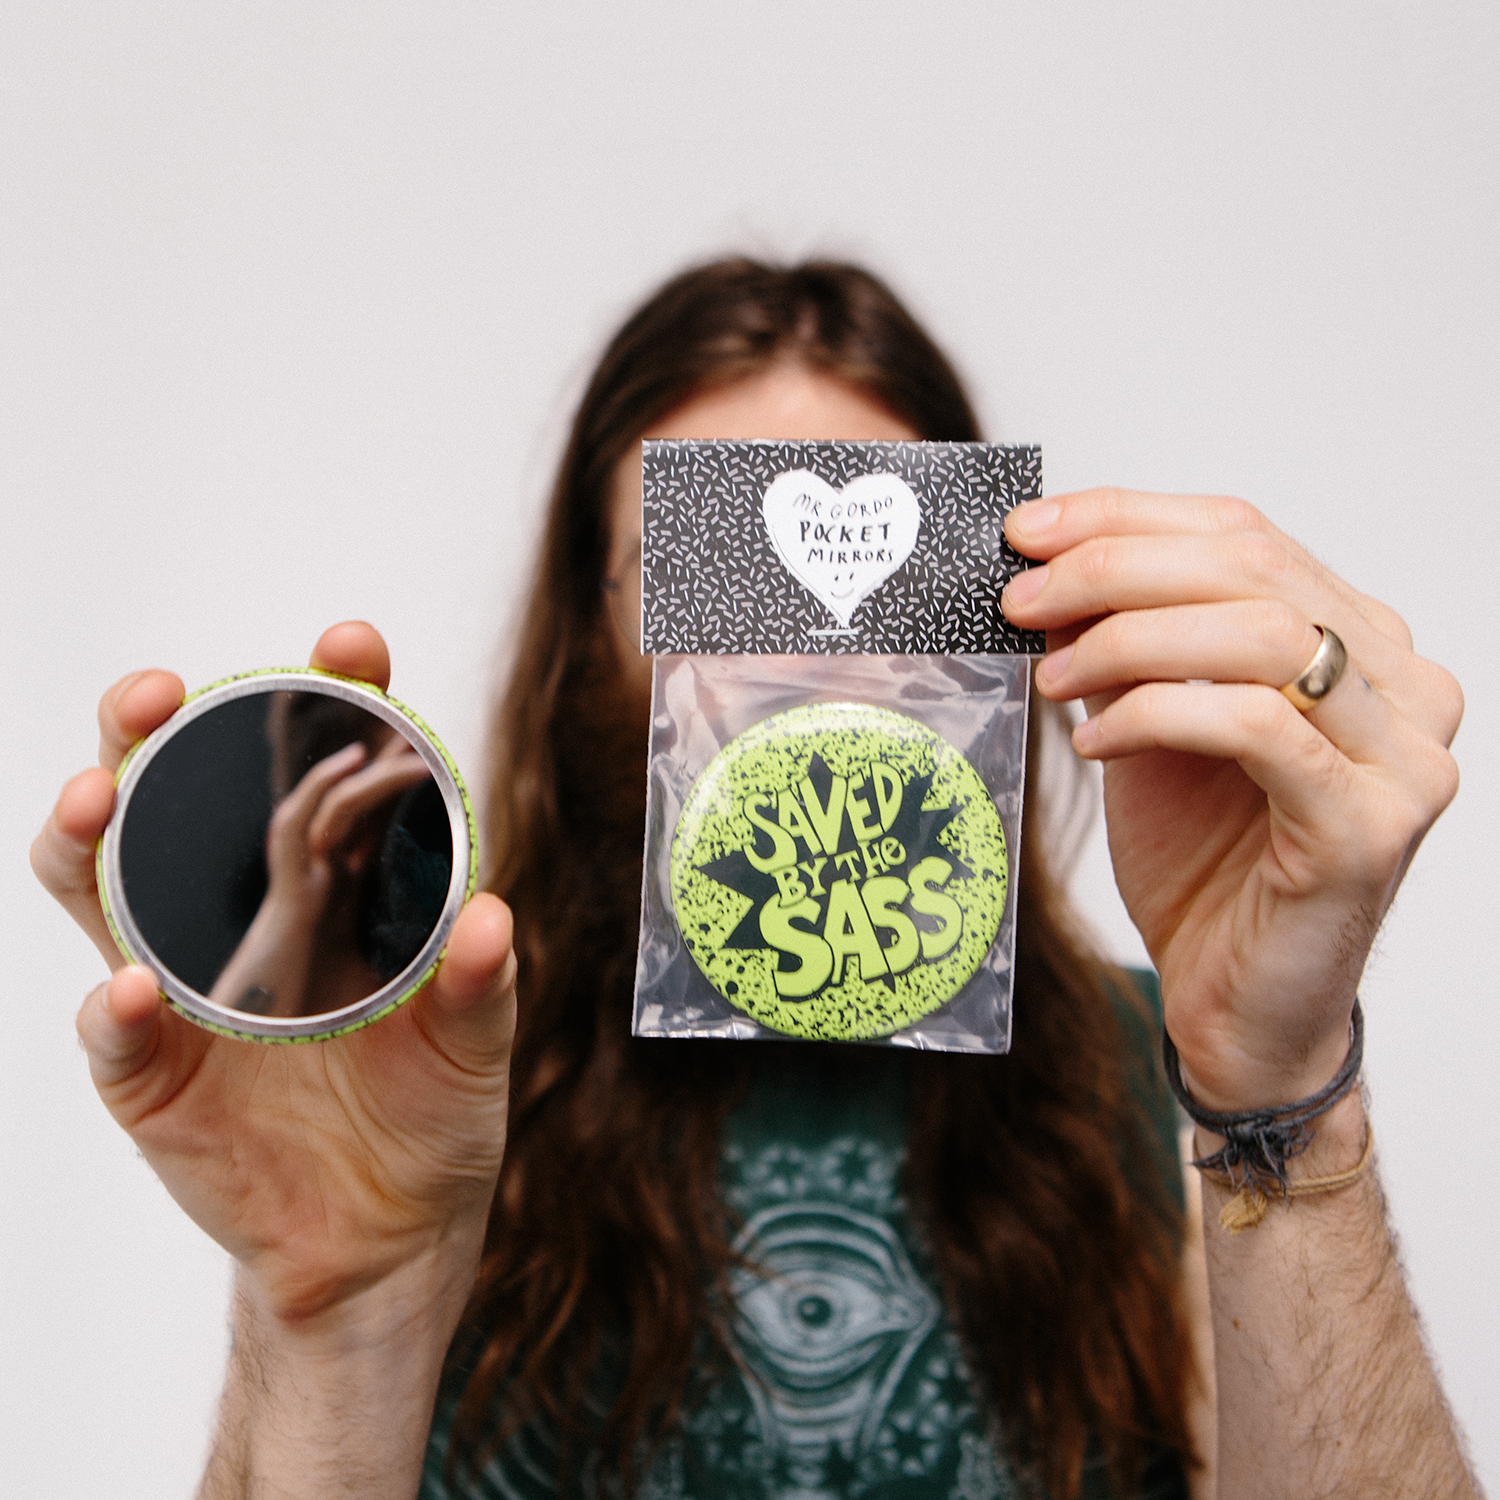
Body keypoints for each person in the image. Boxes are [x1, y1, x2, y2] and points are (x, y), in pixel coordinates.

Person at [31, 260, 1478, 1500]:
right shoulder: (423, 1081)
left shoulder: (1169, 1082)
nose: (804, 665)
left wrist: (1279, 1082)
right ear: (586, 642)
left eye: (888, 578)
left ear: (995, 633)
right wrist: (332, 1325)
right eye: (705, 576)